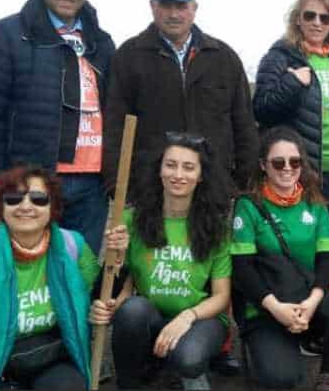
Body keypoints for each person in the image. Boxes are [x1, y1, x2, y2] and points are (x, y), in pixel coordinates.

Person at [0, 0, 115, 255]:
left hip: (92, 183)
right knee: (31, 270)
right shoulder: (7, 35)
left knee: (81, 270)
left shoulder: (102, 42)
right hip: (33, 181)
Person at [0, 165, 127, 389]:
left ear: (52, 206)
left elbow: (96, 295)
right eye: (14, 198)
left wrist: (119, 257)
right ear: (0, 208)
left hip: (46, 358)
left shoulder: (72, 246)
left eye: (38, 198)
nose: (26, 206)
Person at [103, 0, 258, 206]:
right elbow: (114, 126)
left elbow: (244, 126)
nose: (174, 14)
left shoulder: (224, 58)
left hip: (213, 190)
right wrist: (118, 185)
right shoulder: (129, 57)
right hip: (150, 192)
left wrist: (241, 185)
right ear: (152, 6)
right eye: (166, 5)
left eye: (181, 6)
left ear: (195, 8)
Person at [89, 132, 232, 390]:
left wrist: (187, 317)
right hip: (151, 316)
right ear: (159, 170)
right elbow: (121, 281)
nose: (178, 174)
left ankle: (182, 367)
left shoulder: (215, 227)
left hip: (199, 319)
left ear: (200, 176)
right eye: (170, 165)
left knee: (188, 359)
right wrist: (118, 256)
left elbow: (222, 297)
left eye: (188, 167)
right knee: (132, 311)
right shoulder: (134, 219)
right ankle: (131, 382)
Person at [230, 127, 329, 390]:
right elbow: (242, 270)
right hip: (265, 306)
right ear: (263, 166)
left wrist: (312, 303)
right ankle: (274, 345)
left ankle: (328, 373)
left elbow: (326, 260)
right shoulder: (247, 206)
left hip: (303, 299)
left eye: (295, 161)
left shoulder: (315, 202)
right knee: (283, 379)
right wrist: (277, 309)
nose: (287, 168)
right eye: (277, 162)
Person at [253, 0, 329, 198]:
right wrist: (292, 82)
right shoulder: (280, 56)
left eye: (325, 18)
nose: (317, 22)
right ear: (298, 19)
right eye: (310, 15)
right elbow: (261, 109)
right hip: (299, 170)